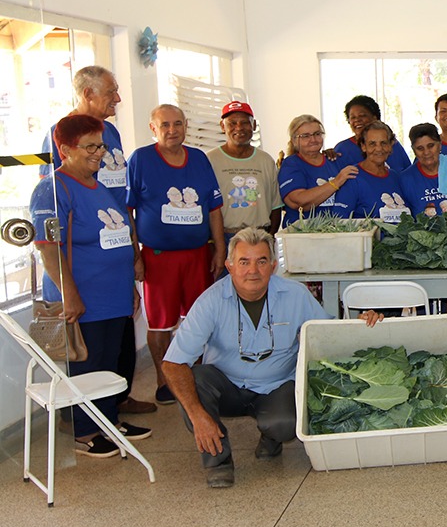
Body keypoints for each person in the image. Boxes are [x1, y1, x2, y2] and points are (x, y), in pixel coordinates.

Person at [161, 228, 383, 487]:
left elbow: (324, 334)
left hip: (276, 385)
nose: (252, 270)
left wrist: (360, 321)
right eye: (244, 262)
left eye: (261, 261)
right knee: (195, 381)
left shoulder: (296, 294)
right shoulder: (210, 302)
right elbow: (172, 363)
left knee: (285, 424)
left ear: (274, 266)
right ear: (230, 266)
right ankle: (218, 460)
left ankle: (271, 437)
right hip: (227, 386)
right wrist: (198, 416)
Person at [30, 115, 150, 457]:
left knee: (109, 363)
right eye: (91, 146)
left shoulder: (98, 187)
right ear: (65, 150)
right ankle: (85, 431)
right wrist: (70, 294)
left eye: (102, 145)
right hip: (83, 298)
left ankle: (108, 420)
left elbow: (116, 238)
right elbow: (47, 247)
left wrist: (128, 287)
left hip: (112, 296)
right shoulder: (53, 190)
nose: (100, 153)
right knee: (88, 364)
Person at [125, 104, 225, 406]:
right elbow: (127, 211)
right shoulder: (141, 159)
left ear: (186, 126)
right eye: (165, 125)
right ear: (153, 128)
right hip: (158, 256)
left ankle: (194, 376)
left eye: (178, 124)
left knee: (197, 319)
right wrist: (135, 256)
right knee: (160, 323)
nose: (172, 130)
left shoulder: (198, 158)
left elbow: (214, 207)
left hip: (196, 254)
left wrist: (219, 247)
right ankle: (164, 379)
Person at [206, 100, 282, 257]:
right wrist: (213, 242)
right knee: (223, 282)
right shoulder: (209, 160)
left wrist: (270, 236)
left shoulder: (266, 160)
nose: (239, 128)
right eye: (232, 123)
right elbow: (205, 206)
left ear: (253, 126)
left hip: (259, 237)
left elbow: (275, 206)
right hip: (223, 239)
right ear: (222, 126)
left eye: (245, 123)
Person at [40, 66, 129, 189]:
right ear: (88, 95)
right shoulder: (59, 133)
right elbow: (49, 189)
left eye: (116, 91)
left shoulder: (110, 130)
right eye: (110, 92)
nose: (118, 98)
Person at [278, 114, 358, 227]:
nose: (313, 140)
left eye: (317, 134)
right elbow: (299, 202)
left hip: (337, 232)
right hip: (304, 234)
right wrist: (336, 182)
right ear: (295, 141)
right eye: (305, 136)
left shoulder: (335, 159)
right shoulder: (291, 165)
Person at [341, 121, 409, 221]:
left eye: (383, 143)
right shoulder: (352, 178)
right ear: (363, 146)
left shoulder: (395, 177)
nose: (378, 149)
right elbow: (340, 220)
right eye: (372, 144)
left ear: (391, 145)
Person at [331, 95, 411, 172]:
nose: (357, 120)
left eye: (362, 116)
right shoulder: (342, 149)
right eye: (353, 117)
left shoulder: (392, 144)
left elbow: (407, 174)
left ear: (375, 118)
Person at [398, 123, 447, 216]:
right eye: (420, 148)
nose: (426, 152)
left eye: (431, 146)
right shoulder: (405, 179)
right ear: (413, 150)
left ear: (440, 145)